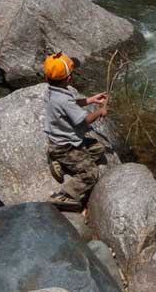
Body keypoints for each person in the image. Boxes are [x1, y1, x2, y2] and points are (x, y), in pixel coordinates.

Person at [43, 52, 109, 209]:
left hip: (59, 142)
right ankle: (64, 196)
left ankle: (59, 162)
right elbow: (83, 120)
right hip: (66, 146)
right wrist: (99, 111)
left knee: (98, 148)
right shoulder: (64, 100)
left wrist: (91, 99)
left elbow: (71, 105)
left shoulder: (51, 91)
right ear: (69, 79)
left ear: (47, 78)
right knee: (91, 174)